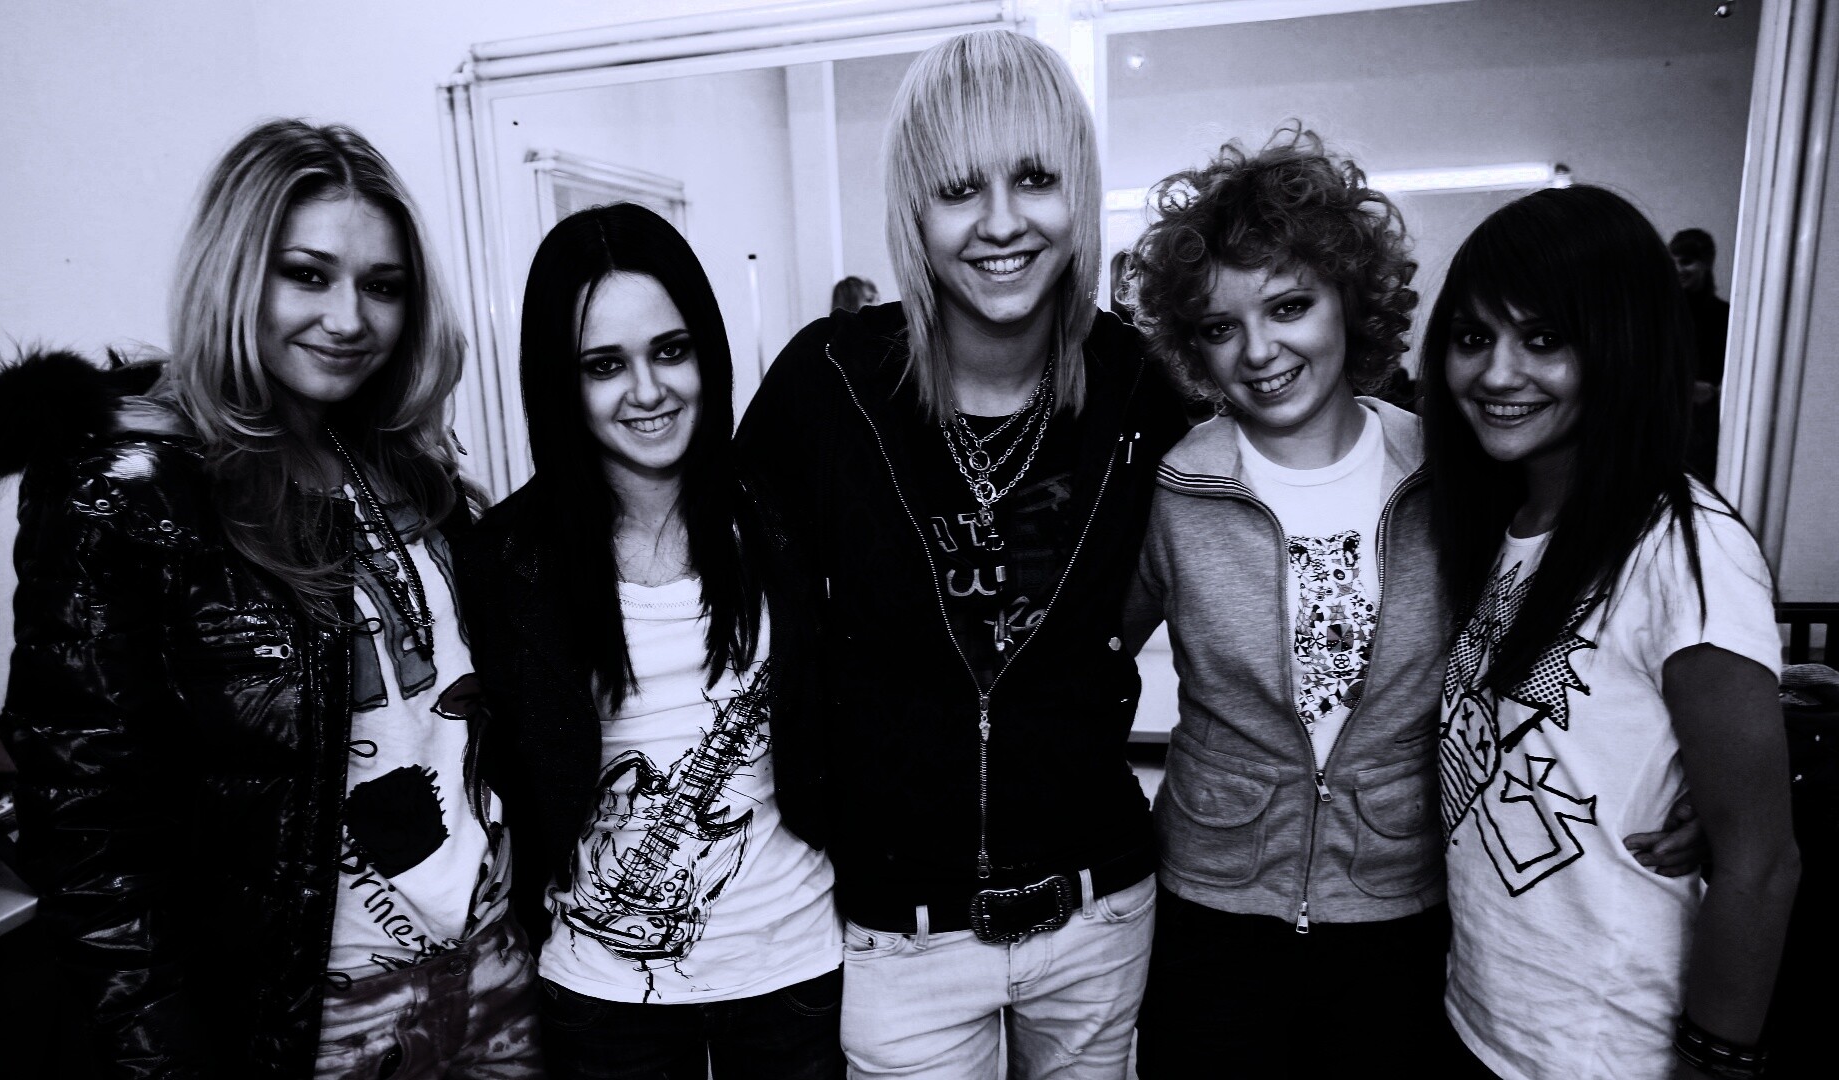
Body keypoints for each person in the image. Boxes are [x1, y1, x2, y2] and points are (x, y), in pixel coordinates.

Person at [0, 119, 540, 1077]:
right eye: (307, 274)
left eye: (382, 286)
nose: (349, 318)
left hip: (495, 970)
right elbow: (89, 836)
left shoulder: (405, 469)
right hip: (315, 1019)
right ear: (235, 273)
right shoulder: (134, 489)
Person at [737, 29, 1187, 1079]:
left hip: (1099, 917)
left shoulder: (1138, 385)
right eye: (957, 189)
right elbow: (718, 586)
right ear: (914, 209)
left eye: (1033, 178)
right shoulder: (830, 384)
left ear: (1076, 187)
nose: (1000, 222)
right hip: (899, 940)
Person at [454, 203, 841, 1080]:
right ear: (560, 382)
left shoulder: (783, 515)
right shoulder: (504, 557)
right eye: (604, 365)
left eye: (671, 351)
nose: (648, 391)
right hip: (598, 998)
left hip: (796, 973)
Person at [1423, 186, 1799, 1079]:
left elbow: (1761, 861)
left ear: (1622, 346)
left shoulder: (1685, 549)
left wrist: (1714, 1061)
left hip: (1605, 1048)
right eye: (1473, 337)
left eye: (1544, 339)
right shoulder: (1503, 523)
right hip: (1482, 1017)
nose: (1497, 374)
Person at [1120, 126, 1453, 1077]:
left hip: (1396, 900)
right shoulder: (1176, 488)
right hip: (1211, 904)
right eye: (1220, 327)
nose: (1260, 351)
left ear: (1352, 296)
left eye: (1290, 305)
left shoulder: (1445, 477)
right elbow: (1082, 667)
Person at [1669, 228, 1731, 478]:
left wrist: (1711, 392)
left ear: (1706, 263)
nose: (1678, 269)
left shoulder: (1726, 317)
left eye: (1686, 261)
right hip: (1662, 418)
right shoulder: (1659, 314)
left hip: (1704, 425)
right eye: (1673, 262)